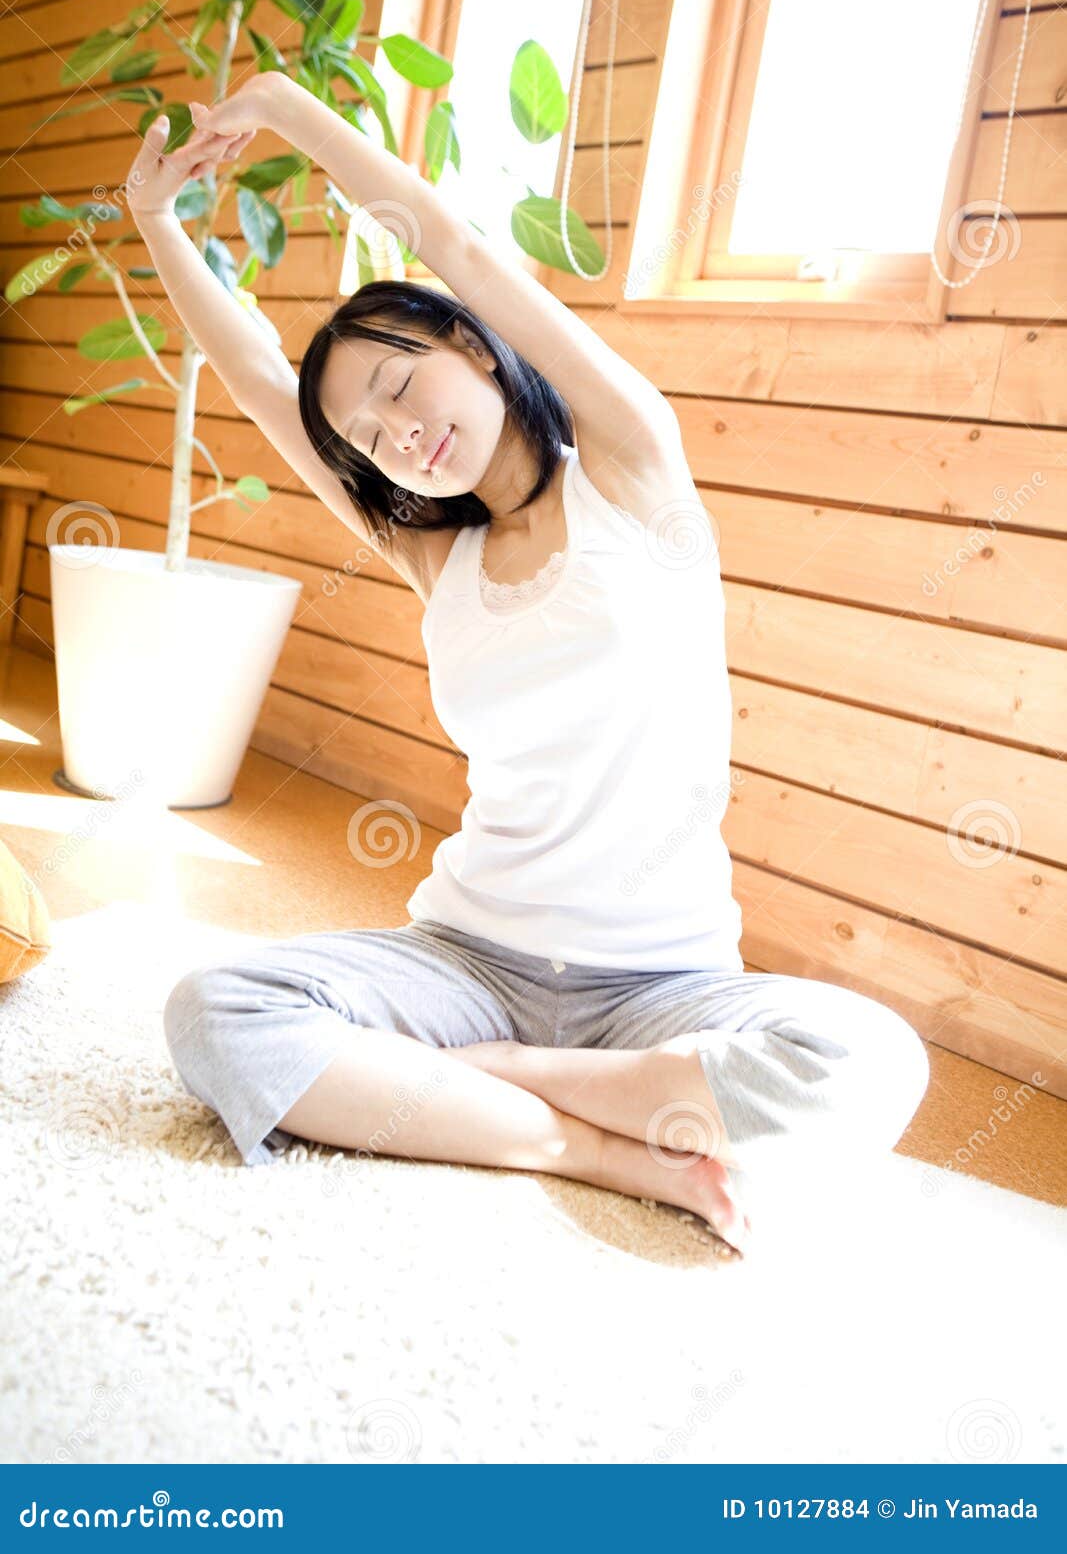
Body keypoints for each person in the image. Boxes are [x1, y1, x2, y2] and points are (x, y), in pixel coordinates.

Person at [128, 72, 929, 1256]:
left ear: (470, 341)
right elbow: (256, 378)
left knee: (868, 1063)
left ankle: (488, 1080)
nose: (399, 432)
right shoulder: (428, 557)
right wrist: (153, 221)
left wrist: (288, 111)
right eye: (370, 433)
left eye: (399, 384)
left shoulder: (635, 474)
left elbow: (441, 234)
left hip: (660, 981)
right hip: (466, 953)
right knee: (214, 1013)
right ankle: (590, 1143)